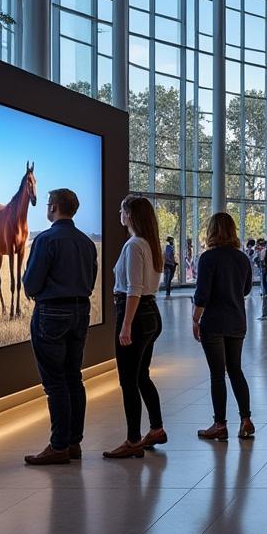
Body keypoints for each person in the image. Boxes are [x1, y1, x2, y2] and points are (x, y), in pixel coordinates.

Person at [21, 189, 98, 466]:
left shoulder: (45, 240)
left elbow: (30, 284)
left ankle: (58, 445)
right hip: (81, 311)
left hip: (51, 313)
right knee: (73, 377)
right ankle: (74, 442)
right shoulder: (87, 243)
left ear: (53, 207)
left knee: (55, 383)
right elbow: (90, 281)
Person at [103, 195, 166, 459]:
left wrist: (126, 324)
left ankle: (133, 440)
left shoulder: (133, 245)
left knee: (128, 380)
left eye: (122, 209)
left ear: (130, 215)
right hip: (151, 314)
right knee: (141, 376)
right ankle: (156, 429)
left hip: (137, 315)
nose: (119, 213)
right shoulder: (150, 244)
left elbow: (133, 289)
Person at [193, 212, 255, 441]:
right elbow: (247, 289)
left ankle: (219, 424)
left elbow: (202, 294)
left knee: (217, 374)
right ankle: (246, 419)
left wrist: (195, 318)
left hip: (214, 322)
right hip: (237, 320)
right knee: (236, 370)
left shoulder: (208, 258)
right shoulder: (242, 258)